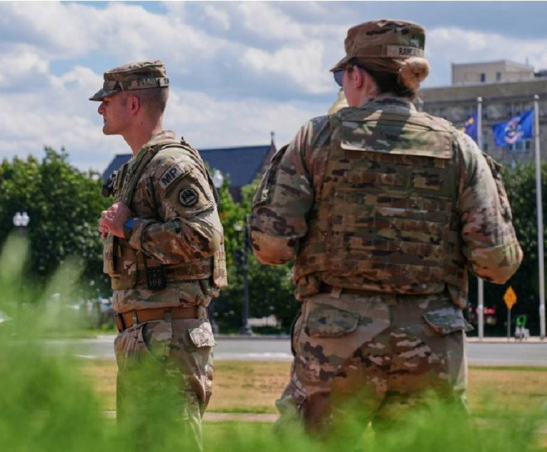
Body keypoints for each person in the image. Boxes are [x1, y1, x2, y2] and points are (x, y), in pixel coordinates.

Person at [249, 19, 522, 437]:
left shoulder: (316, 139)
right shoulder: (460, 148)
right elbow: (498, 263)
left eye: (343, 76)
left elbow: (270, 246)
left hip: (336, 339)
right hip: (431, 340)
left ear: (357, 75)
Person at [93, 60, 227, 450]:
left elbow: (205, 236)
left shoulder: (171, 164)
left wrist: (131, 229)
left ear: (132, 104)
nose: (100, 107)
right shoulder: (141, 165)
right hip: (148, 337)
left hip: (168, 340)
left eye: (108, 99)